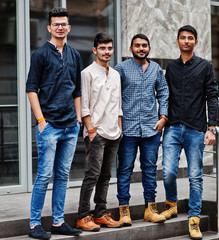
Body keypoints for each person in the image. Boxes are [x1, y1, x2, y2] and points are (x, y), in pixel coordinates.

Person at [25, 7, 83, 240]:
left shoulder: (75, 55)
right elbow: (31, 89)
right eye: (56, 24)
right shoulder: (40, 55)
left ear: (69, 27)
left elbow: (77, 90)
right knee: (44, 176)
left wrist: (78, 119)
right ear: (49, 27)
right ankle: (33, 224)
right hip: (49, 126)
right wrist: (40, 121)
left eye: (64, 24)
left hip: (70, 126)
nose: (60, 27)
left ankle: (58, 221)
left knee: (62, 176)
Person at [160, 25, 218, 240]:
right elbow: (165, 96)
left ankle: (193, 219)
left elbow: (212, 97)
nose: (186, 41)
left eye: (190, 38)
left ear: (196, 42)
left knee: (195, 176)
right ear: (177, 41)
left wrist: (211, 127)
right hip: (173, 128)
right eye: (182, 38)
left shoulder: (205, 67)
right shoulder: (171, 68)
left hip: (195, 129)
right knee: (168, 172)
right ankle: (171, 204)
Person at [115, 34, 169, 226]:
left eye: (144, 45)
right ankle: (124, 211)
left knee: (149, 170)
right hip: (128, 130)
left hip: (151, 129)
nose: (141, 48)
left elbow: (163, 92)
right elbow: (114, 96)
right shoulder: (120, 69)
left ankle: (150, 209)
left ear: (149, 48)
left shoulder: (155, 69)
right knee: (125, 170)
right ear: (131, 49)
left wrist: (163, 117)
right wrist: (117, 122)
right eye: (137, 45)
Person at [75, 33, 123, 231]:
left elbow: (118, 103)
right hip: (97, 132)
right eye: (102, 48)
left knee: (105, 176)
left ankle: (100, 213)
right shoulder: (87, 73)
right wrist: (91, 130)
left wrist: (120, 128)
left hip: (114, 132)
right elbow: (84, 104)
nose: (106, 52)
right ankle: (82, 216)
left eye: (109, 48)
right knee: (92, 175)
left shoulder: (116, 74)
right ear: (95, 50)